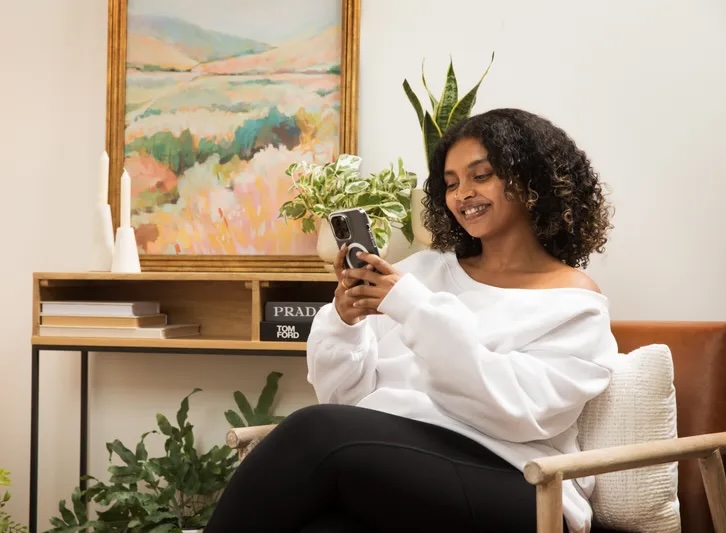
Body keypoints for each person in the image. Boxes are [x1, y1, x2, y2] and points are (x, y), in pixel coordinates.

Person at [204, 108, 618, 533]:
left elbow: (518, 412)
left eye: (481, 175)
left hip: (519, 484)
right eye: (451, 183)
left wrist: (413, 307)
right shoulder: (423, 271)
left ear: (532, 180)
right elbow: (348, 403)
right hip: (397, 471)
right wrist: (347, 324)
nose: (463, 195)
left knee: (315, 428)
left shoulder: (574, 300)